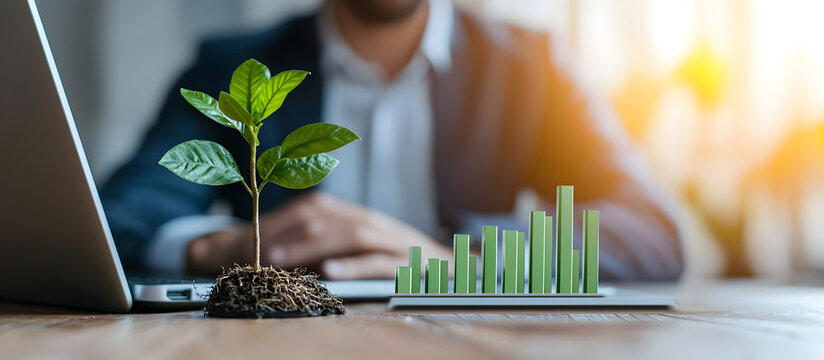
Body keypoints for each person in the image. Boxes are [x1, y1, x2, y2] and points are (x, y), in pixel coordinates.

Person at [101, 0, 684, 281]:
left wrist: (461, 260)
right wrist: (219, 248)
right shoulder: (237, 67)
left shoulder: (532, 69)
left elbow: (649, 232)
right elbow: (113, 220)